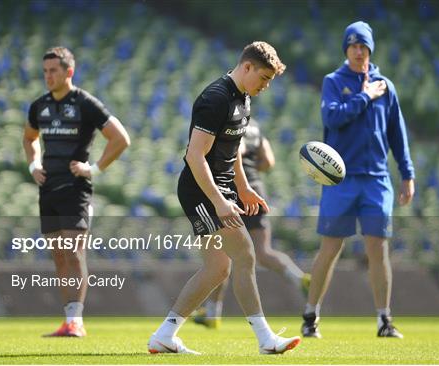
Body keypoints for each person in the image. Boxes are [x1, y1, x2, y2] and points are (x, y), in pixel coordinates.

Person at [147, 41, 300, 355]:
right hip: (200, 191)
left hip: (219, 189)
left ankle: (164, 335)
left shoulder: (244, 99)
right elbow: (194, 156)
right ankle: (265, 340)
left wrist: (242, 189)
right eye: (264, 78)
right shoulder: (215, 98)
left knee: (218, 269)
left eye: (270, 81)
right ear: (246, 67)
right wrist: (218, 200)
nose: (266, 86)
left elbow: (231, 155)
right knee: (245, 255)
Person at [301, 21, 415, 339]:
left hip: (377, 179)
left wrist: (407, 174)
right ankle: (311, 316)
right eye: (352, 45)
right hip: (340, 180)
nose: (357, 51)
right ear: (345, 49)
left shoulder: (386, 87)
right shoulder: (334, 82)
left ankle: (384, 320)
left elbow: (397, 133)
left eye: (363, 45)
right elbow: (332, 117)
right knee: (330, 247)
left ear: (370, 49)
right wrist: (364, 97)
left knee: (378, 248)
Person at [22, 47, 130, 337]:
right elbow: (29, 137)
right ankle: (68, 319)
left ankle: (77, 321)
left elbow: (121, 139)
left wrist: (93, 169)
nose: (48, 76)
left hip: (75, 189)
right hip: (48, 187)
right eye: (45, 71)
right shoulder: (39, 106)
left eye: (53, 70)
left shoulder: (85, 103)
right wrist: (33, 164)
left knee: (73, 250)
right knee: (58, 255)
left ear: (69, 72)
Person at [192, 120, 311, 329]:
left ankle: (212, 314)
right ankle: (299, 278)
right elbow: (268, 162)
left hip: (232, 188)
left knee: (221, 256)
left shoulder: (226, 123)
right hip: (256, 189)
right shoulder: (256, 127)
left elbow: (236, 148)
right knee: (263, 251)